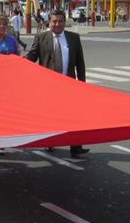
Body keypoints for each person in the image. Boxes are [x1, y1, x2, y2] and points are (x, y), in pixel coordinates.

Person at [25, 9, 90, 158]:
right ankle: (50, 142)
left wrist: (82, 84)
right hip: (48, 86)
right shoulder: (41, 37)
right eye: (54, 21)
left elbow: (80, 63)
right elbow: (32, 57)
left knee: (74, 117)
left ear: (65, 22)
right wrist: (16, 61)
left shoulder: (74, 38)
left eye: (60, 21)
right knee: (50, 117)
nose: (57, 24)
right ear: (49, 22)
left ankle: (76, 146)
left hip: (70, 85)